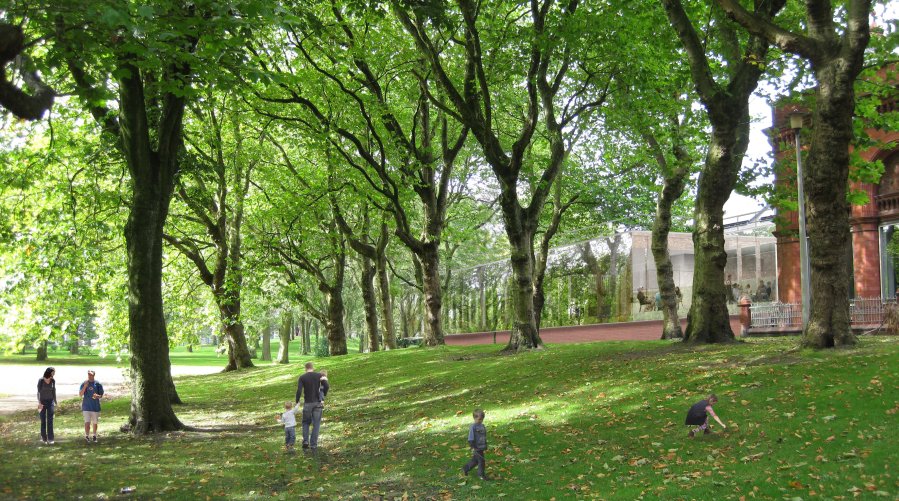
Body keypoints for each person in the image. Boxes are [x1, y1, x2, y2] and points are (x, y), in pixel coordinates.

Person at [295, 362, 329, 451]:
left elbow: (299, 390)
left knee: (305, 422)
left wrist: (297, 400)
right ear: (313, 368)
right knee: (316, 424)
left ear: (305, 368)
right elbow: (326, 385)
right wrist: (324, 394)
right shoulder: (319, 375)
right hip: (317, 403)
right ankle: (313, 444)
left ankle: (305, 441)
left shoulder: (302, 377)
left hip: (307, 403)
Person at [462, 409, 488, 480]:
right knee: (481, 461)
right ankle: (481, 475)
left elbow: (483, 436)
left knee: (475, 460)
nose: (481, 421)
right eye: (479, 419)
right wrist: (472, 446)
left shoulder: (482, 426)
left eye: (482, 419)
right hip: (476, 447)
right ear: (474, 418)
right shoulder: (473, 427)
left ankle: (465, 468)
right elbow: (470, 438)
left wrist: (485, 445)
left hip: (481, 447)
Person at [79, 370, 104, 443]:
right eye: (89, 375)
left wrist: (97, 396)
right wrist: (85, 386)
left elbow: (101, 395)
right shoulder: (84, 383)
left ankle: (94, 435)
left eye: (91, 375)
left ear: (94, 375)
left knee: (95, 423)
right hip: (86, 407)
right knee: (87, 422)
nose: (90, 376)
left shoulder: (98, 384)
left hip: (95, 407)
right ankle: (87, 436)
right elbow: (80, 394)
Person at [37, 367, 57, 445]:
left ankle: (50, 438)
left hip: (50, 401)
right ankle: (44, 438)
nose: (54, 374)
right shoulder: (41, 380)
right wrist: (39, 403)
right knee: (43, 420)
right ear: (49, 372)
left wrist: (55, 402)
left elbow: (54, 391)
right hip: (42, 402)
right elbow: (38, 392)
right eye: (53, 372)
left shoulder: (53, 381)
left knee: (50, 420)